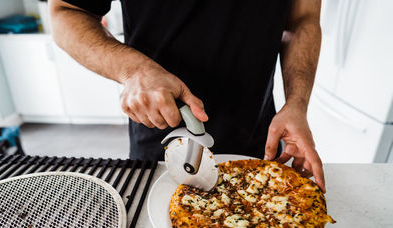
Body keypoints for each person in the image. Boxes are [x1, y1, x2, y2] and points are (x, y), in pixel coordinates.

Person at [49, 0, 326, 192]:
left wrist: (297, 103)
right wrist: (134, 70)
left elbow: (303, 18)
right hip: (161, 138)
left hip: (259, 136)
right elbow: (65, 11)